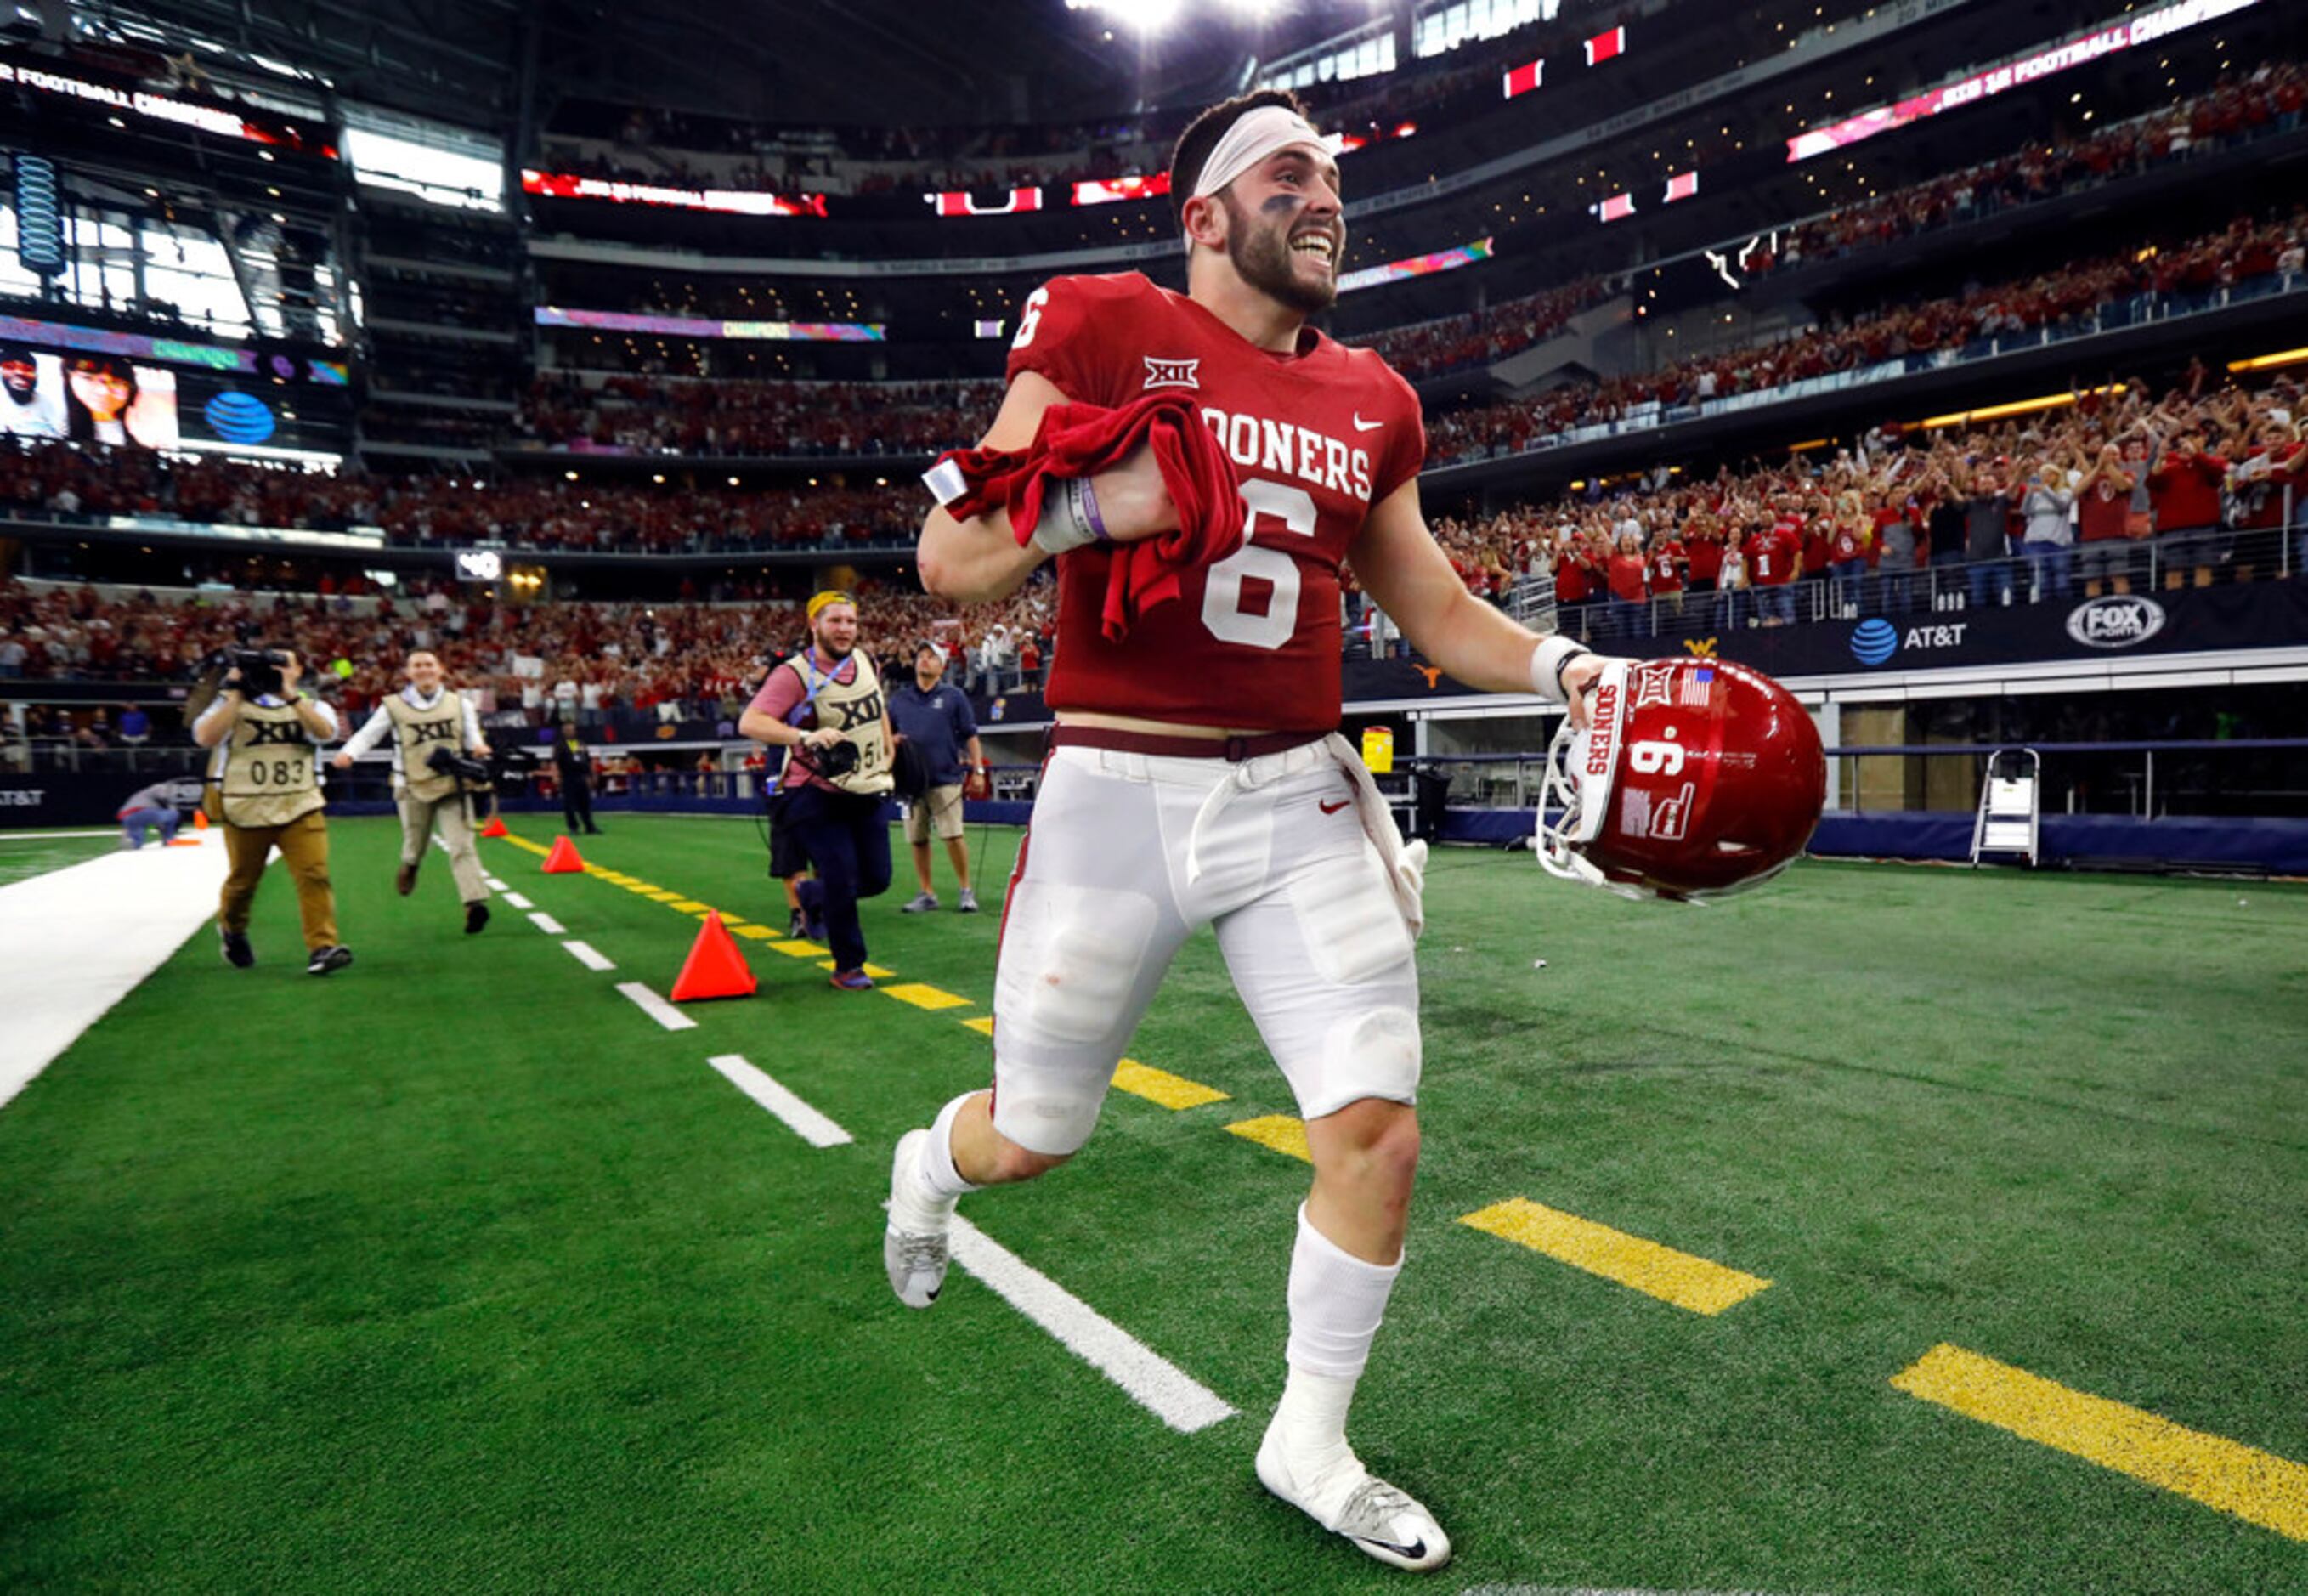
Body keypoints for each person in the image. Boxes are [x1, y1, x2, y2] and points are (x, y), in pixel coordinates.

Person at [886, 90, 1606, 1574]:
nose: (1325, 198)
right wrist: (1106, 504)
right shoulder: (1097, 324)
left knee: (1375, 1128)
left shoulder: (1375, 397)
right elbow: (952, 560)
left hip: (1299, 792)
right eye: (1289, 176)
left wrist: (1568, 670)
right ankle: (927, 1165)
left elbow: (1437, 610)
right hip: (1119, 791)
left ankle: (1310, 1437)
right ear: (1206, 215)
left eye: (1335, 178)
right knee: (1035, 1135)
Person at [737, 591, 896, 990]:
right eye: (835, 621)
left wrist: (889, 748)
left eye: (850, 621)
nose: (844, 629)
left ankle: (812, 894)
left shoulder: (866, 660)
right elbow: (751, 722)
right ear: (814, 625)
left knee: (877, 878)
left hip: (865, 785)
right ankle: (849, 967)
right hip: (813, 791)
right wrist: (805, 736)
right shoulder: (793, 674)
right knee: (841, 875)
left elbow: (878, 711)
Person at [190, 648, 352, 975]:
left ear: (298, 670)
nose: (276, 670)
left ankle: (322, 947)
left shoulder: (314, 705)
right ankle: (233, 930)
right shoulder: (232, 702)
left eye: (283, 664)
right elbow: (205, 737)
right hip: (246, 804)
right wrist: (235, 693)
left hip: (300, 803)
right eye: (269, 665)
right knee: (243, 882)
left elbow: (327, 733)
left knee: (314, 874)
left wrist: (290, 696)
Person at [331, 650, 493, 934]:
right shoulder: (393, 705)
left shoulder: (459, 703)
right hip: (412, 786)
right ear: (408, 673)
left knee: (462, 845)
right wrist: (349, 754)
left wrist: (479, 748)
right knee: (415, 845)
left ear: (440, 669)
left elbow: (472, 734)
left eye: (429, 664)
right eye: (417, 665)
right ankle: (411, 865)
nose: (424, 670)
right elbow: (369, 733)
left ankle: (473, 903)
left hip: (451, 784)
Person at [889, 640, 987, 914]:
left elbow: (970, 734)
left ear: (941, 666)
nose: (924, 660)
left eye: (931, 657)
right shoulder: (899, 699)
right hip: (909, 781)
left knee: (953, 835)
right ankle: (927, 892)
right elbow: (886, 733)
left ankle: (966, 890)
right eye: (921, 656)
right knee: (917, 839)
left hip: (945, 777)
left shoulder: (954, 696)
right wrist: (892, 740)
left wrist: (978, 770)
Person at [0, 342, 64, 439]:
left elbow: (60, 438)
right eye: (10, 367)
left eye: (27, 369)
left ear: (36, 375)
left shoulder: (49, 404)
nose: (19, 372)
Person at [551, 720, 602, 835]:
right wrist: (556, 775)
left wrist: (591, 775)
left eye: (572, 729)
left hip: (582, 777)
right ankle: (573, 827)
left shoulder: (581, 744)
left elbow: (588, 761)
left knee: (585, 803)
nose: (570, 732)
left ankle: (589, 826)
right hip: (568, 777)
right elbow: (555, 762)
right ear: (563, 731)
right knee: (569, 804)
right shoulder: (560, 746)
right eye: (567, 730)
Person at [116, 777, 186, 849]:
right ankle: (169, 839)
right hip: (142, 812)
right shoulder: (160, 787)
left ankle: (132, 842)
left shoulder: (145, 795)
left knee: (137, 844)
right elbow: (165, 799)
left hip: (127, 817)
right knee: (174, 814)